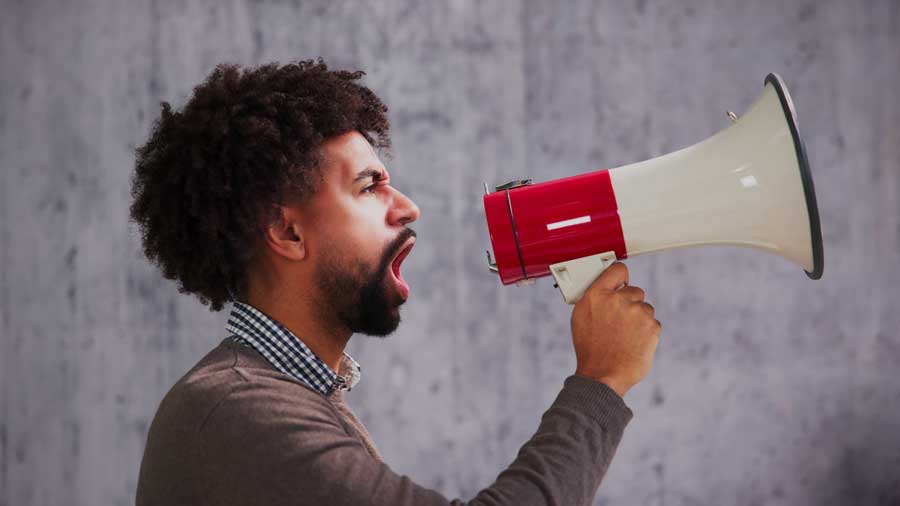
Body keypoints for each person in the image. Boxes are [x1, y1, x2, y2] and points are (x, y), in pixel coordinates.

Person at [132, 59, 661, 506]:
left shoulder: (284, 396)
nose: (408, 207)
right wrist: (601, 380)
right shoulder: (242, 410)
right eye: (369, 187)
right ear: (288, 232)